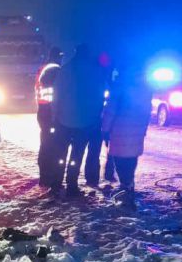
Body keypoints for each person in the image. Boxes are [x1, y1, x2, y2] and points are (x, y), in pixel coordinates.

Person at [51, 44, 107, 196]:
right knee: (77, 154)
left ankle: (56, 183)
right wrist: (96, 115)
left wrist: (54, 115)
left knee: (60, 153)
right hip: (86, 121)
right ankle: (71, 183)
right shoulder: (95, 72)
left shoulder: (65, 70)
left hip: (64, 119)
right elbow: (99, 95)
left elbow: (57, 94)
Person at [101, 66, 152, 199]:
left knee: (120, 159)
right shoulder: (145, 89)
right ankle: (129, 184)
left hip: (120, 130)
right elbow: (147, 112)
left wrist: (105, 129)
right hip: (137, 130)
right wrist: (143, 129)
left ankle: (125, 186)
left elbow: (110, 111)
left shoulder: (119, 88)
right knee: (131, 159)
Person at [35, 47, 63, 187]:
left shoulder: (43, 69)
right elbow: (57, 94)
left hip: (43, 111)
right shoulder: (54, 71)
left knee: (45, 144)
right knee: (52, 146)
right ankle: (50, 178)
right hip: (51, 113)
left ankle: (44, 177)